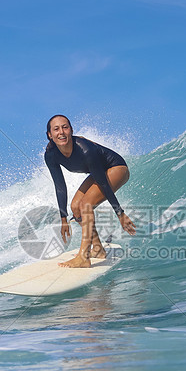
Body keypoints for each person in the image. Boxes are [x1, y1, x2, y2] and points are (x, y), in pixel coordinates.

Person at [44, 114, 136, 268]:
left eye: (65, 127)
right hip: (99, 172)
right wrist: (63, 218)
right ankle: (98, 249)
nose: (61, 132)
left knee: (86, 204)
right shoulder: (51, 156)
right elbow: (60, 186)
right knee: (75, 207)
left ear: (71, 130)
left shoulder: (85, 149)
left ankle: (84, 256)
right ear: (50, 135)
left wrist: (120, 213)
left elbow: (103, 183)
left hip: (116, 168)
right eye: (56, 129)